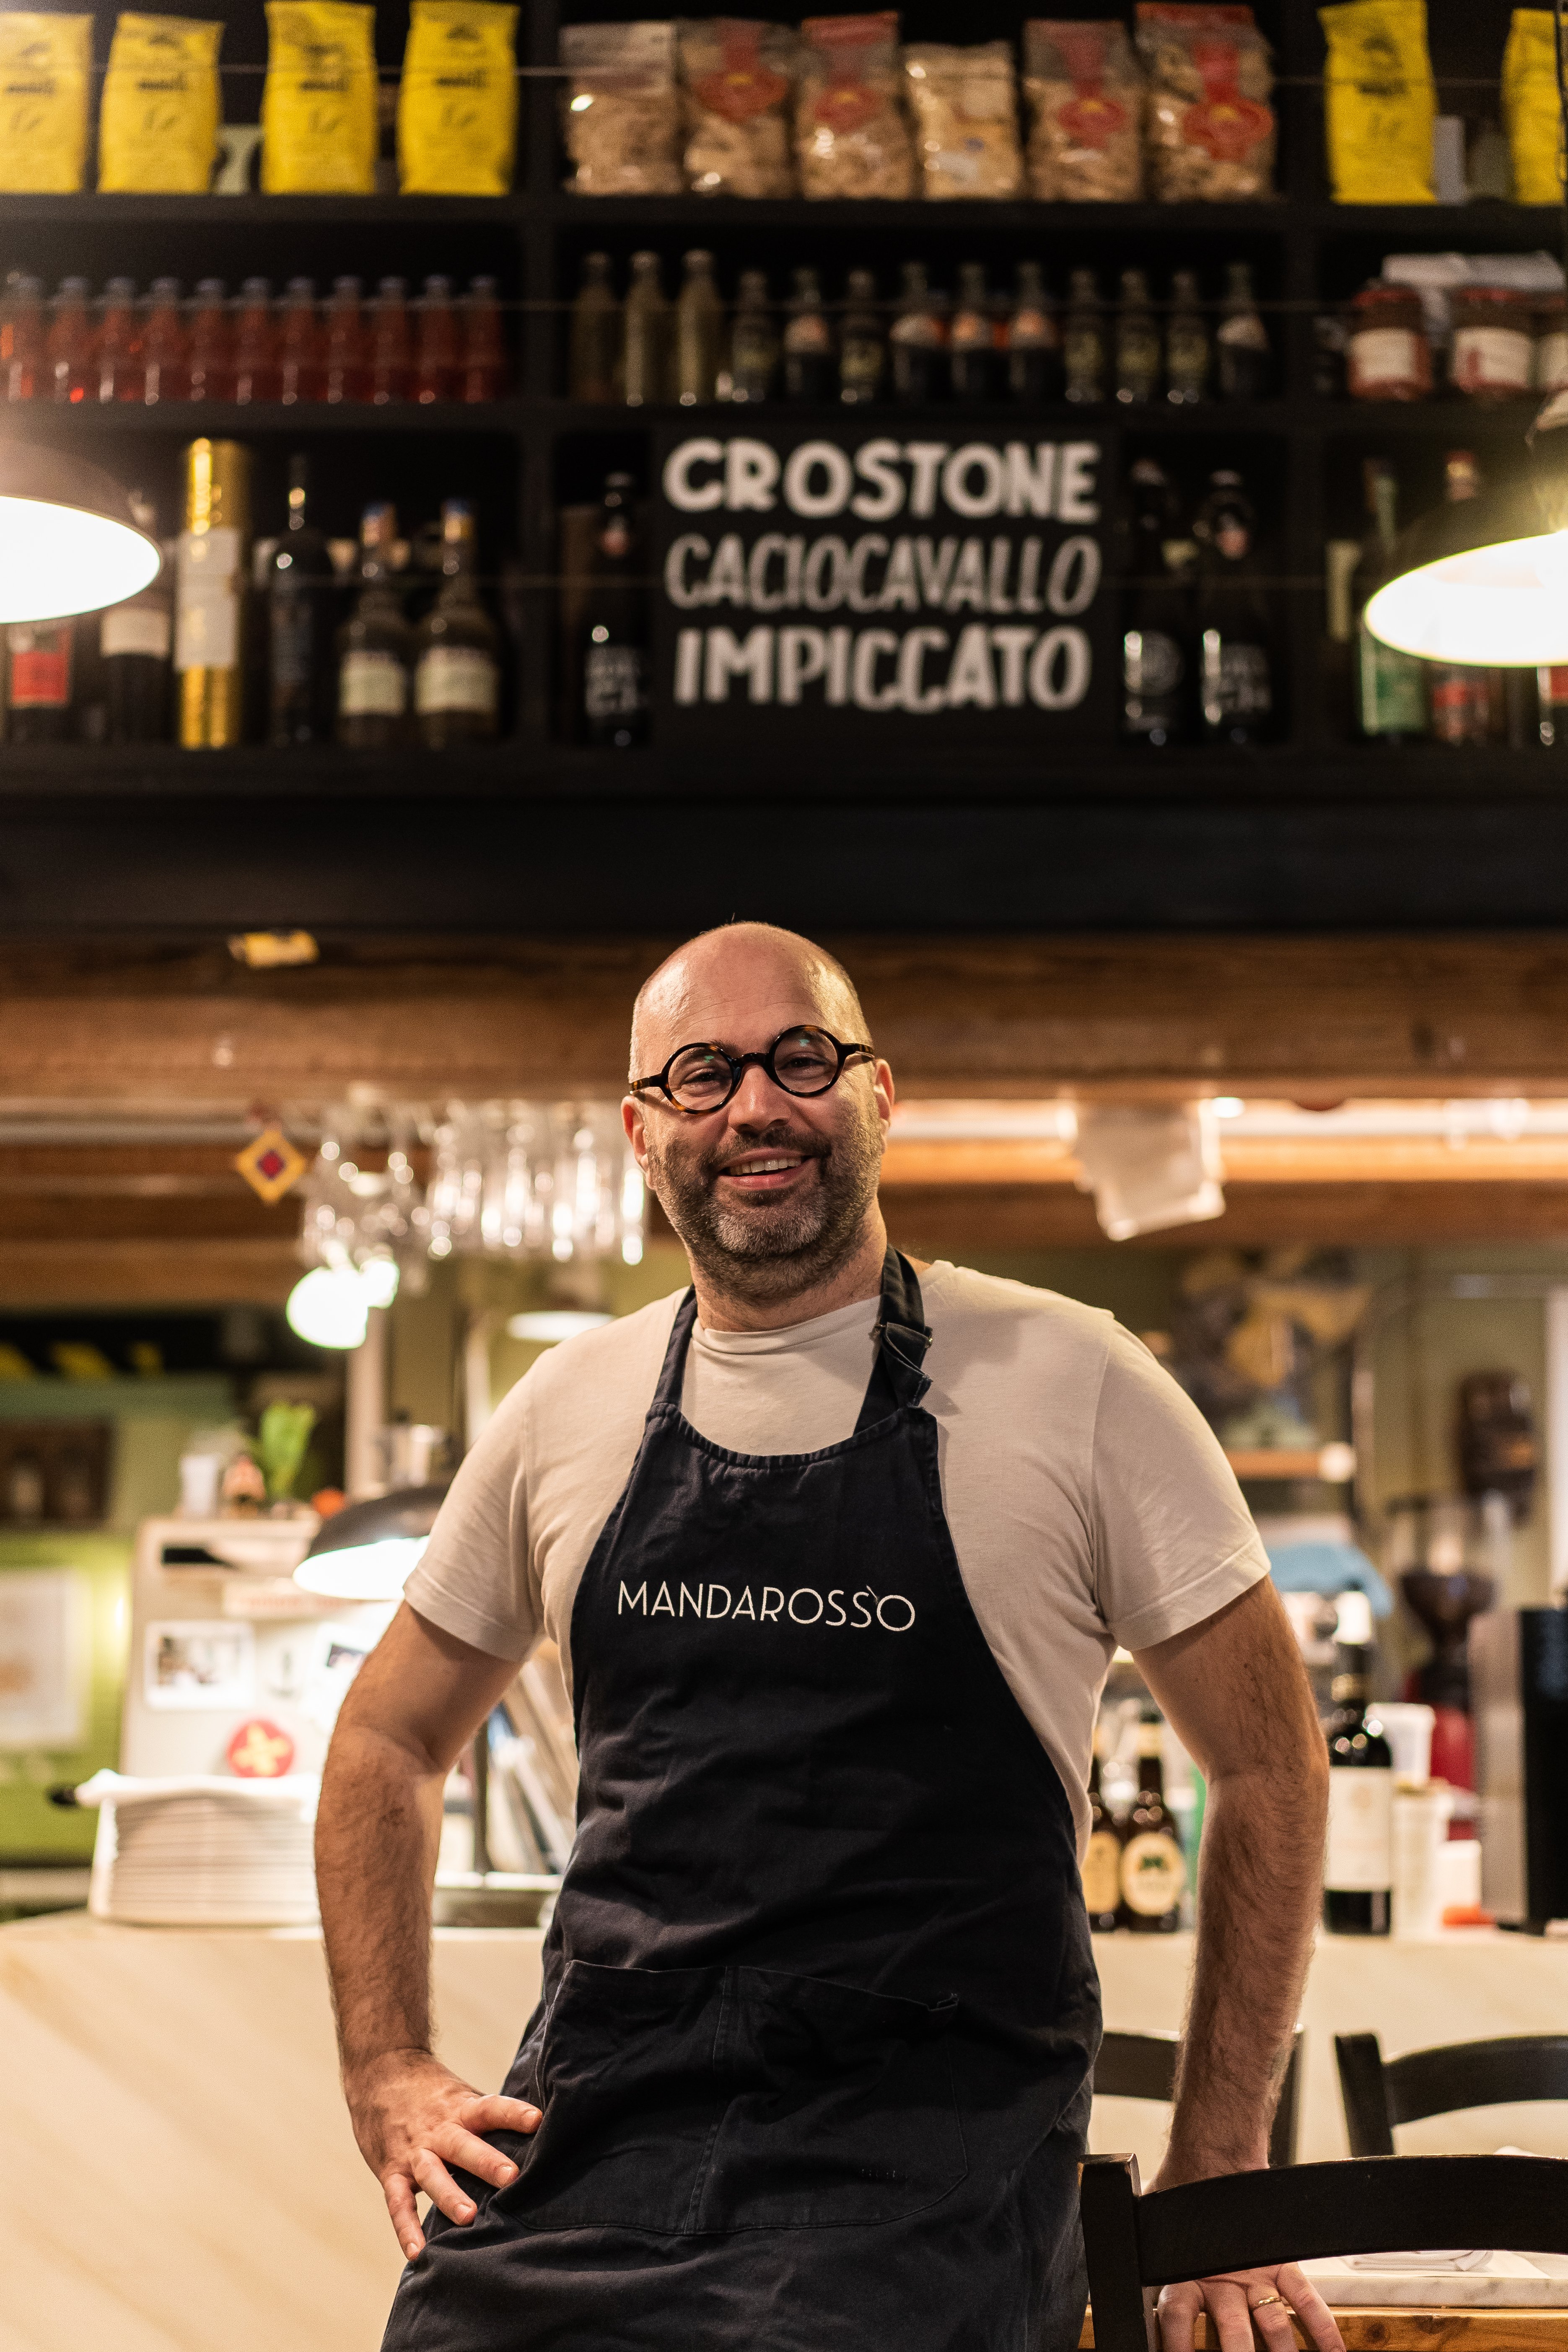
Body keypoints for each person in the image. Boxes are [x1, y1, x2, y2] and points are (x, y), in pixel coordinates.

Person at [317, 921, 1343, 2352]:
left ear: (877, 1094)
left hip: (928, 2171)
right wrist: (385, 2063)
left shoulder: (1080, 1380)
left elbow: (1274, 1765)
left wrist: (1223, 2159)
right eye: (702, 1071)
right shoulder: (567, 1407)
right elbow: (383, 1734)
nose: (755, 1104)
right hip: (600, 2151)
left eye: (801, 1057)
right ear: (640, 1126)